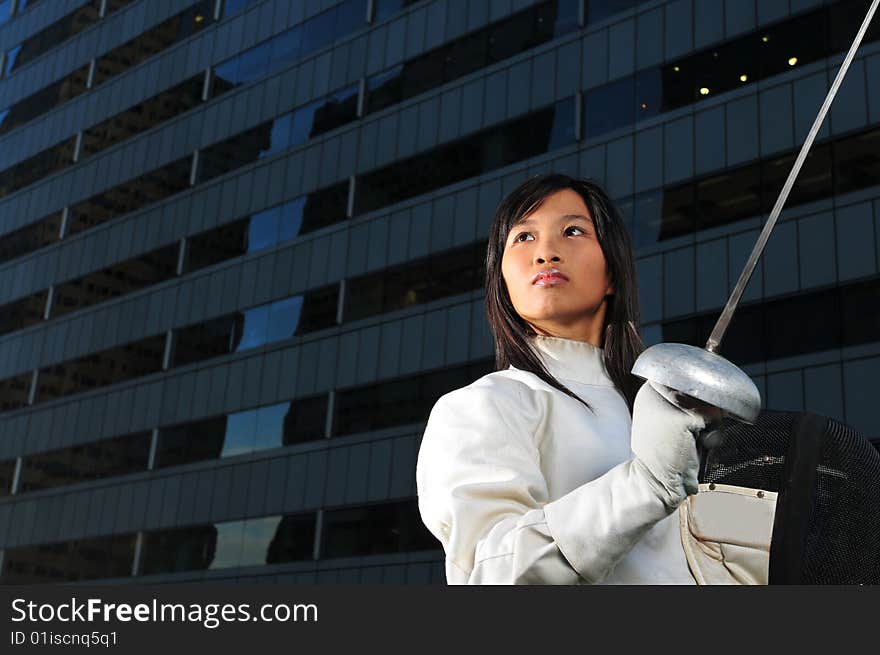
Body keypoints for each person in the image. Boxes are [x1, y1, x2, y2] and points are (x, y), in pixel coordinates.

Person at [415, 173, 715, 584]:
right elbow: (493, 574)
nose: (546, 253)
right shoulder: (484, 404)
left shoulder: (658, 407)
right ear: (502, 279)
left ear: (612, 273)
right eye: (523, 238)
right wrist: (645, 486)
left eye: (573, 231)